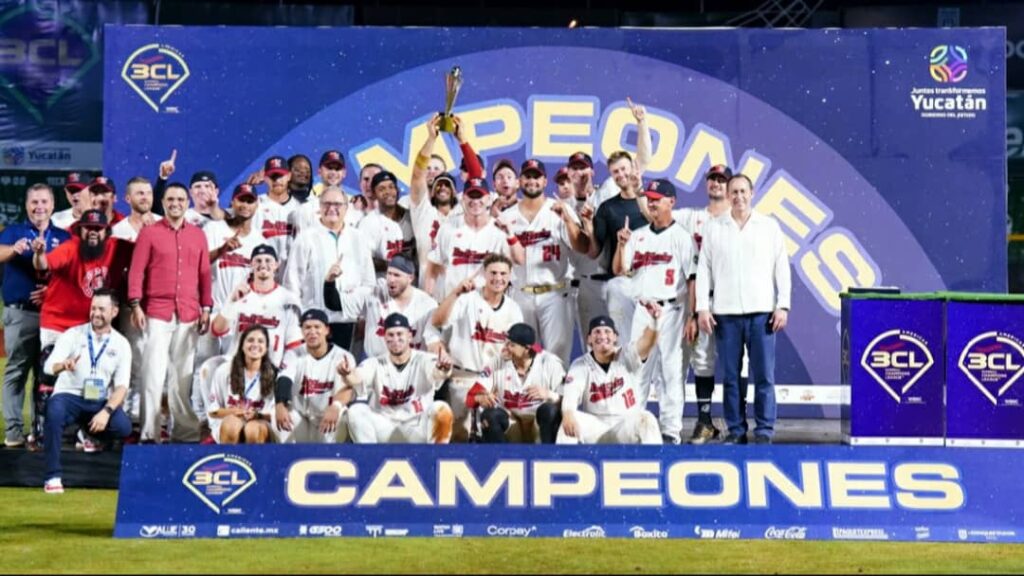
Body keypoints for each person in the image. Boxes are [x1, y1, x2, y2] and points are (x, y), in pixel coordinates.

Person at [697, 174, 791, 445]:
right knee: (730, 378)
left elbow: (781, 267)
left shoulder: (769, 227)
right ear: (727, 196)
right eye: (733, 192)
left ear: (752, 193)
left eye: (742, 191)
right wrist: (703, 307)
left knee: (764, 376)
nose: (738, 196)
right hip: (726, 315)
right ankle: (736, 430)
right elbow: (704, 269)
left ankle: (764, 431)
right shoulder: (715, 227)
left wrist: (782, 305)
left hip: (762, 313)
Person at [128, 183, 212, 443]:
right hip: (157, 311)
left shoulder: (198, 235)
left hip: (188, 312)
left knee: (182, 376)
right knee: (153, 373)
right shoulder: (149, 233)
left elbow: (204, 274)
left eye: (180, 199)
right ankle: (149, 432)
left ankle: (184, 432)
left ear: (187, 203)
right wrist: (135, 304)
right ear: (162, 203)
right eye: (171, 199)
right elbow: (136, 271)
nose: (176, 203)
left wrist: (206, 307)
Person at [613, 179, 694, 445]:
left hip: (671, 309)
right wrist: (621, 245)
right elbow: (619, 270)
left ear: (671, 201)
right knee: (637, 370)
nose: (652, 203)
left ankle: (671, 430)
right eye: (649, 198)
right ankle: (635, 426)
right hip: (643, 310)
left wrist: (692, 315)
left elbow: (692, 279)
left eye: (657, 198)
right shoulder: (637, 235)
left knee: (670, 372)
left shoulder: (682, 237)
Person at [498, 158, 589, 364]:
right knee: (520, 358)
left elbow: (582, 247)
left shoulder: (559, 210)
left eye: (536, 177)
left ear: (545, 182)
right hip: (520, 294)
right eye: (527, 177)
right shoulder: (507, 216)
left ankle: (554, 396)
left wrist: (567, 219)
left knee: (557, 359)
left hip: (555, 294)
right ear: (520, 181)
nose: (532, 181)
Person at [41, 290, 132, 494]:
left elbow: (121, 387)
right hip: (69, 395)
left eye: (101, 309)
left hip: (97, 401)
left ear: (114, 311)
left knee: (123, 427)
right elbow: (48, 366)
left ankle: (91, 434)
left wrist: (106, 412)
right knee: (54, 412)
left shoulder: (122, 344)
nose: (95, 313)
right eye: (93, 308)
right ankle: (52, 476)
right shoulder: (73, 335)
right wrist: (62, 366)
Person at [0, 184, 70, 447]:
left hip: (53, 316)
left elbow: (69, 273)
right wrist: (14, 250)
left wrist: (50, 291)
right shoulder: (14, 231)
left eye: (44, 201)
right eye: (34, 202)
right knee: (17, 371)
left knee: (46, 375)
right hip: (20, 314)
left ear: (53, 205)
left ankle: (38, 430)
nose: (39, 207)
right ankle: (14, 431)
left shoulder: (63, 237)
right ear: (26, 205)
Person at [432, 253, 523, 441]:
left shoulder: (513, 309)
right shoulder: (467, 299)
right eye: (493, 273)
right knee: (459, 436)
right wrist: (456, 293)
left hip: (494, 383)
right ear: (484, 273)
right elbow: (438, 321)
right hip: (462, 379)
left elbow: (519, 350)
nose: (498, 278)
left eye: (503, 274)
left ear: (510, 275)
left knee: (499, 432)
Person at [584, 99, 652, 345]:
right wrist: (588, 226)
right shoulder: (607, 207)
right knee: (623, 341)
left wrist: (642, 123)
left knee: (652, 344)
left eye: (625, 169)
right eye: (616, 172)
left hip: (651, 276)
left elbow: (644, 157)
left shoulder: (651, 202)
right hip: (621, 280)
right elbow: (595, 250)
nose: (622, 175)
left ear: (633, 168)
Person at [676, 164, 734, 444]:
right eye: (712, 179)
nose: (716, 184)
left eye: (722, 180)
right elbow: (653, 211)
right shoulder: (691, 217)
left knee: (738, 363)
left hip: (732, 297)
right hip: (700, 296)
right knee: (702, 359)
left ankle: (738, 424)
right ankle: (704, 420)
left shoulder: (740, 220)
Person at [284, 186, 375, 350]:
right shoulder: (306, 238)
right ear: (319, 207)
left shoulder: (359, 238)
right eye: (326, 204)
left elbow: (369, 283)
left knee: (346, 371)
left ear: (347, 208)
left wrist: (363, 316)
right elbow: (292, 283)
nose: (332, 208)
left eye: (337, 204)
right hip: (314, 322)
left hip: (349, 321)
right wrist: (298, 322)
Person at [341, 313, 454, 444]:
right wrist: (347, 373)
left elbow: (438, 372)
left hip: (416, 427)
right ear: (384, 338)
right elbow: (357, 377)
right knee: (356, 411)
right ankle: (370, 459)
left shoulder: (424, 359)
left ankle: (434, 460)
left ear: (410, 336)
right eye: (391, 335)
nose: (395, 339)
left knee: (442, 409)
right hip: (385, 426)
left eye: (400, 334)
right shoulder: (375, 363)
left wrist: (444, 368)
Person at [557, 308, 663, 445]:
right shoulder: (580, 365)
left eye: (607, 331)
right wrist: (568, 414)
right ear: (589, 338)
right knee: (568, 421)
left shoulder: (627, 355)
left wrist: (655, 321)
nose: (602, 335)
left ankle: (655, 465)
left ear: (615, 337)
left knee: (646, 419)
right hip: (596, 427)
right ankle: (564, 466)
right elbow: (570, 398)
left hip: (625, 426)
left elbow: (648, 342)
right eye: (597, 332)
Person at [33, 210, 133, 349]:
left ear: (107, 232)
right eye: (88, 227)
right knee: (53, 367)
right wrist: (39, 254)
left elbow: (147, 253)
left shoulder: (119, 248)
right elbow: (43, 264)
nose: (93, 232)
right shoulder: (70, 248)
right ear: (80, 230)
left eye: (98, 228)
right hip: (58, 324)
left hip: (92, 326)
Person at [323, 255, 438, 358]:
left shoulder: (427, 305)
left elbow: (434, 341)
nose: (391, 279)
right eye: (389, 274)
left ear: (410, 278)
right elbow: (334, 303)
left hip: (410, 370)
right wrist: (329, 281)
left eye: (397, 275)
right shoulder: (374, 293)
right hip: (375, 366)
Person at [465, 323, 564, 444]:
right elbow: (470, 398)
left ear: (527, 349)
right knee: (490, 416)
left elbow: (569, 401)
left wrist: (549, 394)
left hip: (538, 426)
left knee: (550, 411)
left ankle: (549, 459)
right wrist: (481, 398)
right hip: (511, 423)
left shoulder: (550, 363)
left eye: (512, 345)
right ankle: (502, 459)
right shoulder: (497, 362)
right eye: (506, 342)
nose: (505, 348)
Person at [210, 244, 303, 368]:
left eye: (268, 260)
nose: (263, 264)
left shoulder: (288, 299)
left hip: (270, 369)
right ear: (251, 265)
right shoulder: (240, 294)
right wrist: (230, 303)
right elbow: (217, 330)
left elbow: (293, 344)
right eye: (258, 260)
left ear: (276, 265)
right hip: (237, 367)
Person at [274, 309, 355, 443]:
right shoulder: (293, 354)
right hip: (302, 418)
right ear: (301, 331)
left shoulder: (343, 356)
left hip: (328, 416)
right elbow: (284, 379)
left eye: (317, 327)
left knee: (343, 414)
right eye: (307, 327)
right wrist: (280, 404)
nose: (312, 332)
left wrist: (336, 405)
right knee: (279, 413)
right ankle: (286, 461)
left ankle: (333, 459)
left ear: (327, 330)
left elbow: (349, 389)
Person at [206, 325, 277, 444]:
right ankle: (230, 461)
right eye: (250, 340)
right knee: (231, 425)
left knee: (253, 429)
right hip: (228, 422)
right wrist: (233, 412)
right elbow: (213, 412)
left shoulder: (275, 374)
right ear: (242, 346)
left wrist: (257, 415)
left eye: (260, 341)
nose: (255, 344)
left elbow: (276, 416)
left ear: (266, 348)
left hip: (260, 423)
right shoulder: (224, 370)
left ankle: (258, 462)